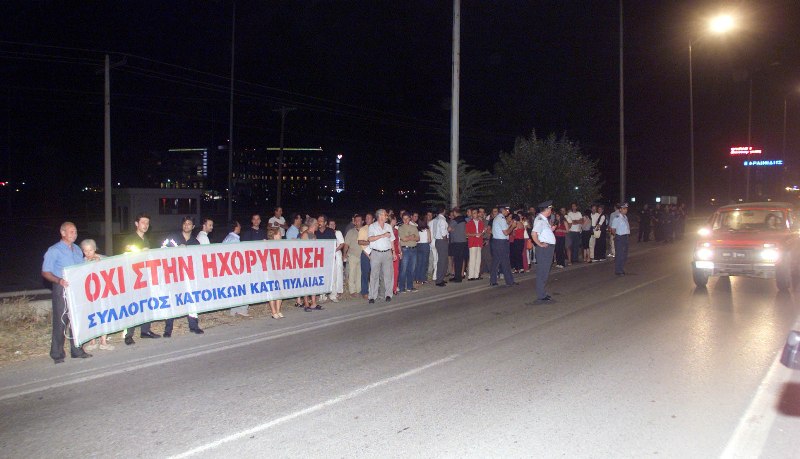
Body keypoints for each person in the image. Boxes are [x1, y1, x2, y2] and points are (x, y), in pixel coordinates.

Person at [42, 222, 92, 363]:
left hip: (77, 289)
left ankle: (77, 350)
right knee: (61, 321)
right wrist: (59, 281)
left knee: (77, 320)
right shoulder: (54, 250)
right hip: (62, 289)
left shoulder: (77, 249)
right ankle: (57, 354)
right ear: (63, 233)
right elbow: (45, 272)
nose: (74, 234)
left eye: (75, 231)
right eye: (71, 231)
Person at [119, 213, 160, 344]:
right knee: (133, 306)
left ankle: (145, 330)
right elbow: (126, 252)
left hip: (145, 278)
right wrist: (140, 251)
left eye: (147, 223)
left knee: (146, 304)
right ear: (136, 224)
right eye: (143, 222)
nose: (146, 225)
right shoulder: (130, 239)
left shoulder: (146, 239)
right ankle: (128, 335)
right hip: (132, 279)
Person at [163, 216, 206, 333]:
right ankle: (168, 328)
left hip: (188, 277)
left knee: (191, 300)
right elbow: (162, 249)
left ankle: (194, 326)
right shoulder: (173, 237)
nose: (186, 225)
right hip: (174, 276)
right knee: (172, 300)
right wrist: (175, 251)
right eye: (185, 223)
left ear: (193, 227)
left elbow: (198, 260)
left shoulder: (195, 243)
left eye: (189, 224)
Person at [80, 239, 114, 351]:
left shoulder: (103, 258)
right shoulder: (81, 262)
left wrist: (101, 263)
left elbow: (114, 267)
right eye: (85, 251)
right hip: (88, 294)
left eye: (90, 250)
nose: (88, 253)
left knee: (103, 315)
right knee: (91, 316)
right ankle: (92, 341)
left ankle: (103, 341)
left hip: (102, 293)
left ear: (95, 249)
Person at [367, 209, 396, 303]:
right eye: (385, 215)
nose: (386, 216)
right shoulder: (372, 226)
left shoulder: (388, 226)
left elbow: (392, 240)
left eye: (386, 215)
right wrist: (382, 235)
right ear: (379, 216)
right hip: (376, 253)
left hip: (387, 253)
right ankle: (372, 296)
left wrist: (394, 252)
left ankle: (388, 294)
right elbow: (370, 239)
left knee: (388, 275)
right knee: (374, 275)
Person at [532, 201, 556, 302]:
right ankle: (541, 295)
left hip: (547, 248)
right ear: (546, 209)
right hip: (544, 249)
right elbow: (534, 234)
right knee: (542, 272)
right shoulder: (540, 220)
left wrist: (551, 230)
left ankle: (543, 293)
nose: (551, 210)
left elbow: (543, 232)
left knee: (545, 271)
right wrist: (540, 244)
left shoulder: (544, 220)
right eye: (550, 209)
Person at [490, 205, 517, 286]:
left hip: (497, 242)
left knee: (496, 261)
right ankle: (509, 281)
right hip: (501, 243)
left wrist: (509, 225)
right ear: (503, 210)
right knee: (505, 261)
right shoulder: (501, 219)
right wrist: (512, 227)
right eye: (507, 210)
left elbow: (504, 230)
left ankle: (493, 280)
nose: (508, 212)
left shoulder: (499, 218)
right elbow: (506, 232)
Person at [300, 218, 323, 312]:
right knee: (306, 282)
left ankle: (313, 303)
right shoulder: (305, 234)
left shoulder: (313, 234)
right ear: (313, 225)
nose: (318, 225)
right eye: (317, 224)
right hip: (306, 263)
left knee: (313, 282)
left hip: (313, 262)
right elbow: (304, 250)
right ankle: (306, 303)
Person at [397, 211, 419, 293]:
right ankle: (402, 288)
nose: (406, 220)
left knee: (412, 269)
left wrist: (410, 237)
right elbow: (403, 239)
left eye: (407, 218)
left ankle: (410, 286)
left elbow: (418, 238)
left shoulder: (414, 227)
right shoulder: (401, 228)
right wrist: (412, 236)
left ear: (410, 218)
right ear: (402, 219)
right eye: (404, 219)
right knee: (403, 269)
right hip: (405, 250)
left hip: (414, 249)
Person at [344, 214, 363, 297]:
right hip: (352, 255)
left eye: (359, 220)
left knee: (359, 273)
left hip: (362, 255)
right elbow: (346, 244)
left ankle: (358, 289)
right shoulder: (350, 232)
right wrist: (344, 254)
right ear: (354, 222)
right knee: (352, 273)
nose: (358, 222)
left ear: (362, 221)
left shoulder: (365, 231)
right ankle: (352, 291)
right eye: (356, 220)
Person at [267, 228, 284, 318]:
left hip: (280, 270)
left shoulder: (282, 245)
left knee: (280, 290)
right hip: (271, 271)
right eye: (279, 234)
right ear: (274, 235)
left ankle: (278, 310)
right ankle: (273, 311)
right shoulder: (267, 245)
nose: (281, 235)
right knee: (273, 291)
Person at [431, 206, 450, 287]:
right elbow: (443, 234)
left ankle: (441, 278)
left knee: (443, 260)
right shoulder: (442, 220)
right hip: (442, 241)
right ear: (444, 211)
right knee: (442, 261)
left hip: (437, 241)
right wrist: (446, 239)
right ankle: (439, 280)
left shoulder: (436, 219)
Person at [610, 202, 631, 276]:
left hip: (625, 237)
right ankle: (618, 270)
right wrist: (616, 236)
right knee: (619, 254)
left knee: (624, 254)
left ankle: (621, 268)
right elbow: (613, 229)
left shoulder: (625, 217)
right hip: (619, 237)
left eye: (626, 209)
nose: (626, 210)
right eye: (624, 209)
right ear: (620, 209)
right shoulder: (617, 218)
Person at [448, 208, 468, 282]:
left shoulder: (455, 220)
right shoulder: (464, 219)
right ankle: (458, 276)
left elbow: (448, 229)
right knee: (460, 260)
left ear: (455, 212)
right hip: (463, 242)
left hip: (457, 242)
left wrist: (452, 229)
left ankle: (457, 278)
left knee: (457, 260)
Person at [329, 220, 346, 302]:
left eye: (333, 224)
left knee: (339, 273)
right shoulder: (327, 233)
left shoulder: (338, 232)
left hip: (337, 254)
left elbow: (342, 244)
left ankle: (339, 291)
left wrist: (334, 250)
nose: (332, 225)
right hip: (329, 255)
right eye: (330, 224)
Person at [466, 209, 485, 280]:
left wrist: (482, 232)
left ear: (477, 214)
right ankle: (471, 276)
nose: (474, 214)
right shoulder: (469, 223)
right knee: (472, 259)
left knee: (478, 260)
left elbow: (482, 232)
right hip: (472, 242)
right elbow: (466, 234)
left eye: (475, 213)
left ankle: (476, 275)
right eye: (473, 213)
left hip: (479, 242)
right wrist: (475, 234)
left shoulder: (481, 222)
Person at [358, 213, 374, 299]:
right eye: (366, 218)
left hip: (375, 252)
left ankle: (373, 290)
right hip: (365, 253)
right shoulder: (363, 229)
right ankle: (364, 291)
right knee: (365, 273)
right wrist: (371, 242)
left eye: (369, 218)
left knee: (374, 273)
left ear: (373, 219)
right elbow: (360, 242)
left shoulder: (376, 228)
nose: (367, 219)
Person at [415, 215, 432, 284]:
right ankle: (423, 279)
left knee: (419, 263)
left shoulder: (417, 229)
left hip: (418, 246)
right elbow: (429, 240)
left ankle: (417, 278)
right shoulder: (427, 230)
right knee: (424, 263)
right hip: (425, 246)